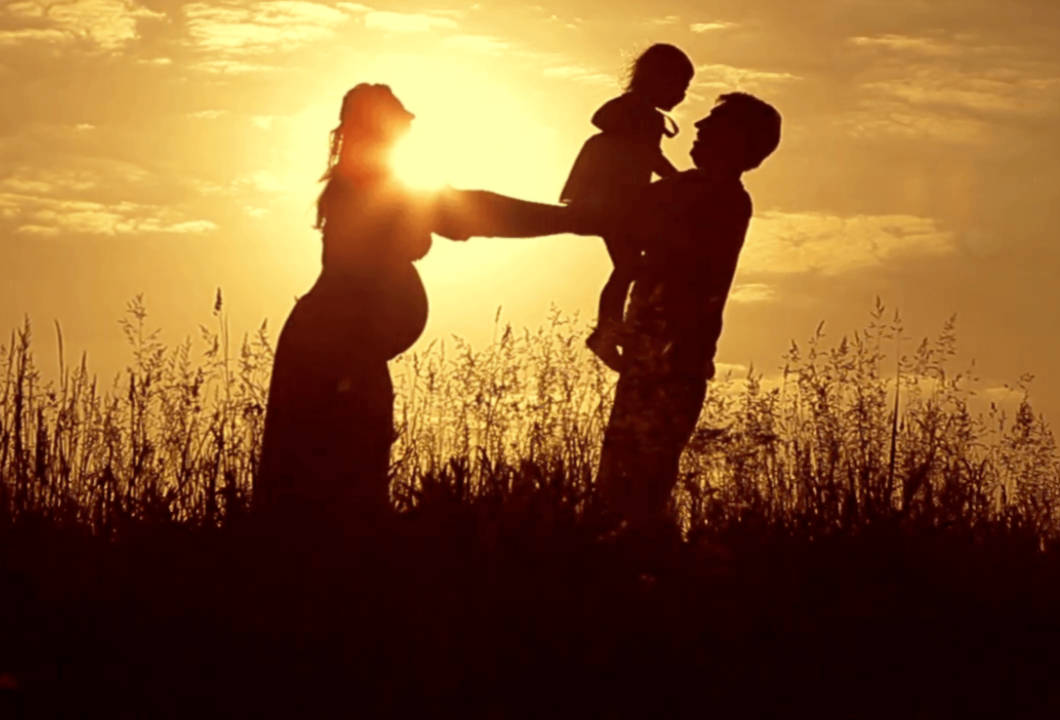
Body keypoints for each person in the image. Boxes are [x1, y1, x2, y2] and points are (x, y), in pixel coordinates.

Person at [255, 82, 597, 534]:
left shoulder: (374, 183)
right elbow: (474, 210)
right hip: (337, 348)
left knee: (345, 464)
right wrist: (572, 219)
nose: (410, 127)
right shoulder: (372, 186)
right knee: (339, 465)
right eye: (399, 120)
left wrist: (570, 221)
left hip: (344, 345)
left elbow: (464, 208)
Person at [589, 92, 781, 543]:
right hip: (664, 355)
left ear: (737, 140)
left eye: (713, 123)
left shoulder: (711, 194)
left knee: (632, 485)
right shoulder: (710, 192)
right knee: (633, 480)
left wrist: (635, 139)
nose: (698, 127)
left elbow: (620, 215)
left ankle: (631, 571)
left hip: (670, 357)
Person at [560, 43, 695, 366]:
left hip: (615, 199)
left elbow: (644, 153)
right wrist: (678, 181)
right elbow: (649, 156)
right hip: (613, 202)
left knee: (631, 265)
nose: (682, 95)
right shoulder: (639, 115)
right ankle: (607, 331)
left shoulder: (639, 114)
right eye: (680, 86)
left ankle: (611, 329)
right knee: (630, 265)